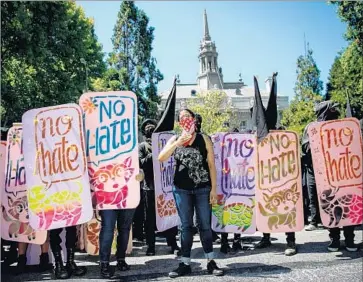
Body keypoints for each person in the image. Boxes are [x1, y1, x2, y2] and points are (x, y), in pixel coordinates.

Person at [159, 109, 224, 278]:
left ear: (194, 119)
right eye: (182, 118)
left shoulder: (204, 139)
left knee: (204, 225)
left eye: (188, 116)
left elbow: (211, 165)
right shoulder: (175, 139)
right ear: (179, 122)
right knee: (185, 226)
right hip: (181, 189)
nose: (185, 119)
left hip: (203, 188)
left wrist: (214, 189)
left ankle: (211, 261)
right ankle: (185, 263)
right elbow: (161, 157)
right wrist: (177, 142)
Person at [302, 101, 358, 252]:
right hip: (324, 175)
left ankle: (349, 238)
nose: (336, 111)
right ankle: (334, 238)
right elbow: (306, 149)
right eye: (332, 109)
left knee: (347, 206)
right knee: (330, 207)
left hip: (343, 173)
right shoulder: (311, 128)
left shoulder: (344, 126)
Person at [139, 119, 180, 256]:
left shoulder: (164, 143)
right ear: (144, 131)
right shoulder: (142, 146)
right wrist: (154, 153)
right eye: (147, 127)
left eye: (152, 126)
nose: (149, 128)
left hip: (165, 187)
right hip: (150, 188)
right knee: (149, 219)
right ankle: (151, 246)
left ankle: (173, 243)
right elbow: (141, 163)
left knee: (168, 215)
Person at [254, 125, 297, 256]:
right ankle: (266, 238)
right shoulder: (261, 141)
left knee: (288, 210)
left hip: (284, 179)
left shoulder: (285, 139)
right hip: (267, 180)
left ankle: (291, 241)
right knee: (267, 210)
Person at [98, 171, 145, 279]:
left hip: (128, 193)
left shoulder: (134, 153)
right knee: (108, 228)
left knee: (123, 229)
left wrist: (141, 174)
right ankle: (104, 263)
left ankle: (120, 259)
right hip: (108, 193)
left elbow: (139, 167)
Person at [193, 114, 221, 243]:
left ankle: (210, 232)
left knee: (206, 210)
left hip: (205, 179)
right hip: (189, 182)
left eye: (198, 122)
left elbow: (211, 162)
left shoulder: (205, 138)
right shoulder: (182, 139)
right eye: (194, 121)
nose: (196, 124)